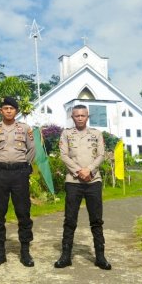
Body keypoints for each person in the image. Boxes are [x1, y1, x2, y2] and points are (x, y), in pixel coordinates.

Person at [54, 104, 111, 270]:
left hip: (93, 181)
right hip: (73, 181)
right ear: (72, 118)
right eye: (76, 115)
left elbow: (101, 155)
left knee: (96, 220)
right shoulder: (66, 134)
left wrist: (89, 170)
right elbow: (63, 155)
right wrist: (79, 171)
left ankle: (100, 257)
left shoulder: (97, 134)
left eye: (83, 115)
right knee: (70, 219)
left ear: (88, 117)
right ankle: (66, 256)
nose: (79, 118)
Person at [0, 96, 36, 267]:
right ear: (1, 111)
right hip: (0, 173)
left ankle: (25, 252)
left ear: (16, 111)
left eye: (11, 108)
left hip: (19, 174)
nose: (8, 111)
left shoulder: (25, 129)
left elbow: (31, 150)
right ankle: (0, 252)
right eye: (5, 108)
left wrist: (23, 166)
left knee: (23, 213)